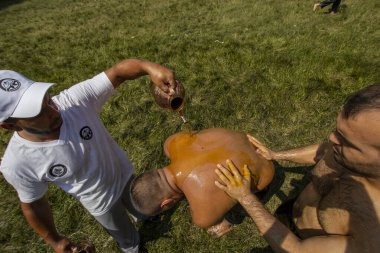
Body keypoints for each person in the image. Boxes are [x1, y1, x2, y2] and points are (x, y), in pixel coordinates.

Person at [0, 58, 177, 253]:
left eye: (47, 98)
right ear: (9, 126)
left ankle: (144, 215)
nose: (54, 111)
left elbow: (118, 73)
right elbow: (33, 205)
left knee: (141, 206)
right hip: (102, 203)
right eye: (38, 112)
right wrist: (55, 241)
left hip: (124, 175)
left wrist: (149, 68)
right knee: (126, 237)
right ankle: (133, 247)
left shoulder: (73, 102)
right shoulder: (18, 163)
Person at [215, 84, 380, 253]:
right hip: (291, 214)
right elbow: (323, 150)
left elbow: (296, 249)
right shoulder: (340, 148)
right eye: (337, 131)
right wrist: (276, 155)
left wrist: (245, 197)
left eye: (347, 142)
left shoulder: (373, 232)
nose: (332, 138)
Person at [129, 128, 275, 236]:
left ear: (166, 203)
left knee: (235, 206)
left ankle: (230, 221)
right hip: (247, 140)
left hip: (266, 171)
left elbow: (202, 215)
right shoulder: (171, 143)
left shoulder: (202, 217)